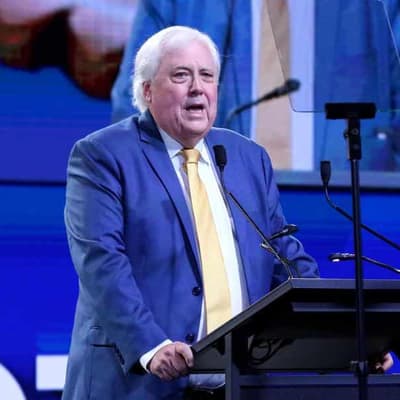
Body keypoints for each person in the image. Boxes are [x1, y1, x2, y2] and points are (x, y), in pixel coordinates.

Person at [62, 26, 391, 400]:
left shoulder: (246, 157)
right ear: (147, 90)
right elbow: (101, 262)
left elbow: (284, 260)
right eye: (181, 75)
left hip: (236, 386)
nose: (197, 88)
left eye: (207, 76)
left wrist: (345, 343)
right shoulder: (103, 155)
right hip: (137, 385)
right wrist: (151, 346)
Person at [111, 0, 400, 171]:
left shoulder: (381, 6)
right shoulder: (180, 4)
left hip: (349, 218)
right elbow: (137, 104)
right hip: (208, 215)